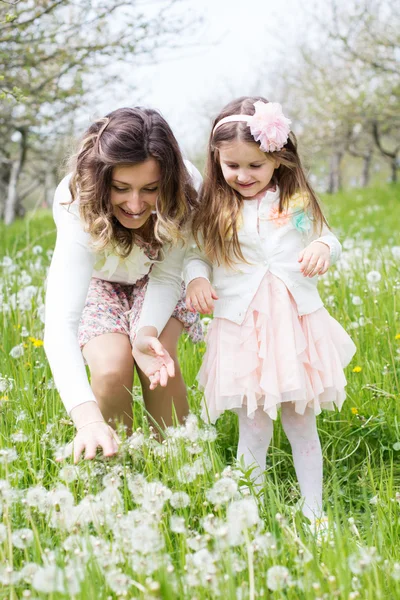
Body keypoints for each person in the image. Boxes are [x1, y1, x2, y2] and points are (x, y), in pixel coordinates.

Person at [184, 96, 356, 525]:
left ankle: (313, 511)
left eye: (254, 166)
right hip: (243, 326)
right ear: (217, 161)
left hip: (295, 325)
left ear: (277, 159)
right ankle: (250, 512)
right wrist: (197, 278)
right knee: (254, 427)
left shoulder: (294, 202)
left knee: (301, 424)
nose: (243, 176)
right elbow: (196, 255)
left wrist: (321, 247)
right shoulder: (215, 207)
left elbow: (328, 237)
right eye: (232, 166)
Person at [44, 107, 203, 463]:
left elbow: (165, 275)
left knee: (159, 354)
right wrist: (86, 419)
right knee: (112, 367)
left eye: (150, 189)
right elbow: (60, 324)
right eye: (120, 188)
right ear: (101, 182)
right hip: (100, 281)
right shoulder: (75, 199)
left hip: (156, 275)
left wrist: (144, 332)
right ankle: (120, 466)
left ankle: (178, 464)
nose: (135, 204)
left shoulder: (186, 186)